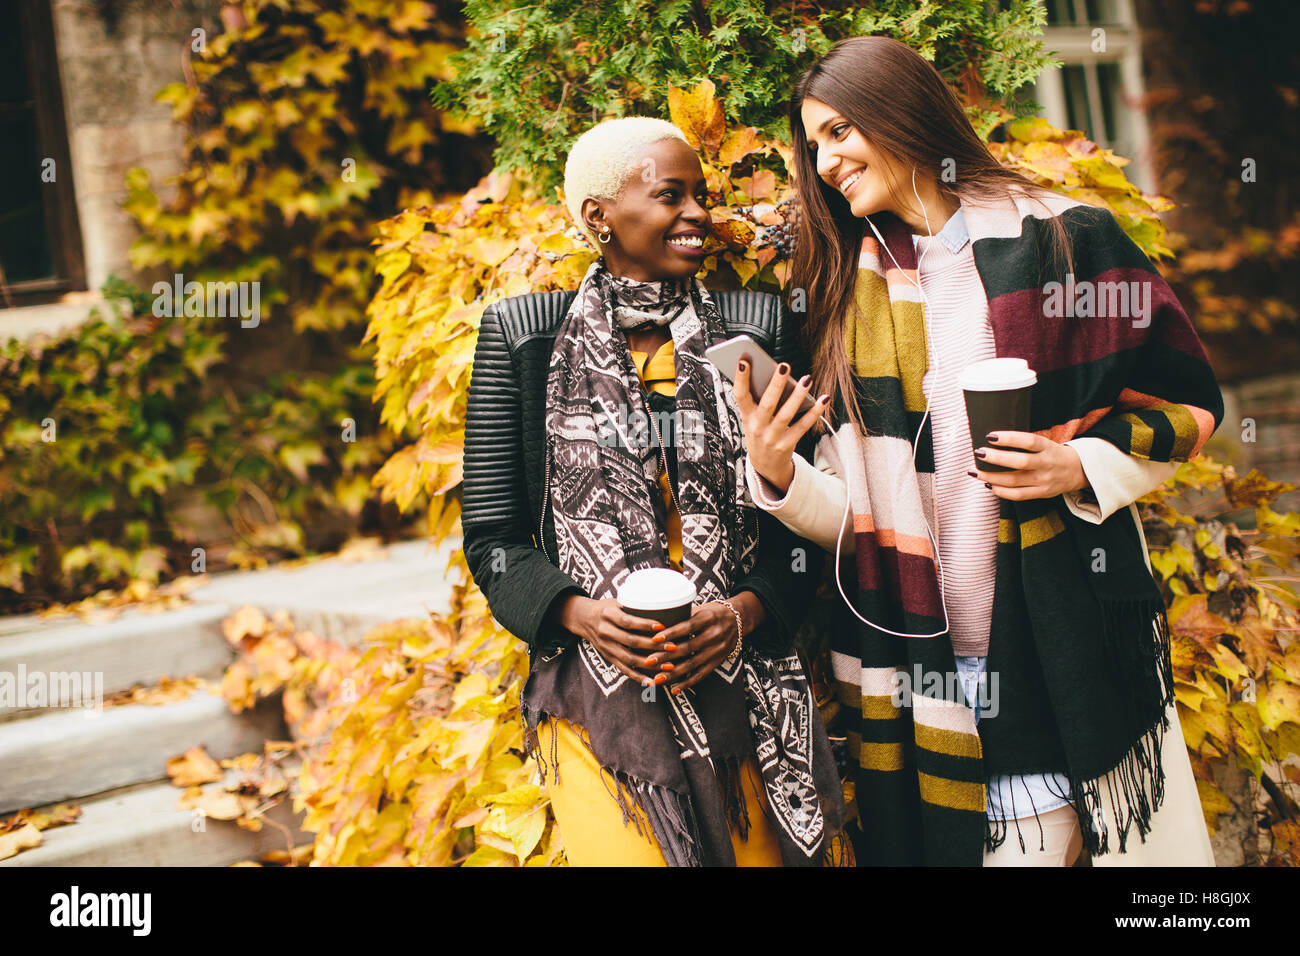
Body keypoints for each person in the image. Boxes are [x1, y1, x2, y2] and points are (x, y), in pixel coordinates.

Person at [733, 36, 1223, 866]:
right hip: (926, 674)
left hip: (1057, 642)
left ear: (902, 114)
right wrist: (777, 473)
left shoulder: (1067, 242)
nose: (825, 162)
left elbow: (1190, 404)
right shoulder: (845, 294)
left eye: (840, 132)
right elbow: (855, 523)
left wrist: (1082, 466)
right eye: (814, 144)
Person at [461, 116, 848, 866]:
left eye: (701, 195)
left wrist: (745, 611)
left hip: (749, 691)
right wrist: (582, 616)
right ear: (598, 217)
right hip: (600, 705)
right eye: (671, 196)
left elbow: (809, 528)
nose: (699, 214)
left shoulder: (759, 328)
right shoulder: (523, 338)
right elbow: (493, 538)